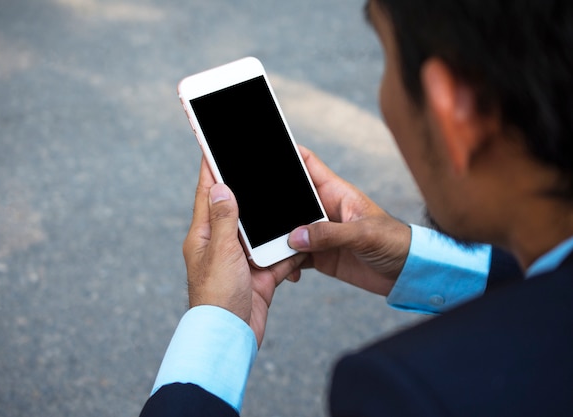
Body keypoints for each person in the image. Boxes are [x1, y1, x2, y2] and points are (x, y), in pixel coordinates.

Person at [140, 0, 573, 415]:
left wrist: (213, 333)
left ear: (453, 112)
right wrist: (413, 259)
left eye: (385, 61)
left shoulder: (414, 394)